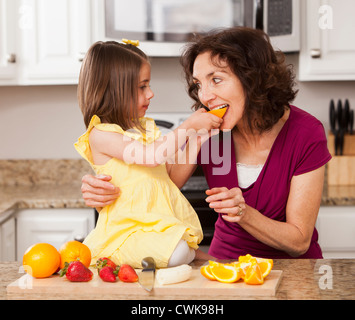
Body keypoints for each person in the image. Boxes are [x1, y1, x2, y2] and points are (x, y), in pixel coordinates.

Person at [80, 28, 332, 260]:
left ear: (253, 78)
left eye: (217, 80)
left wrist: (245, 213)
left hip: (292, 271)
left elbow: (299, 241)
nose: (205, 96)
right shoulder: (211, 133)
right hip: (221, 265)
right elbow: (163, 178)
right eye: (199, 84)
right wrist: (107, 188)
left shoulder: (305, 133)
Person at [75, 40, 222, 268]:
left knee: (180, 250)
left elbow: (170, 179)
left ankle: (189, 254)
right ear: (115, 90)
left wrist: (197, 139)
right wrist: (188, 126)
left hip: (152, 227)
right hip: (127, 231)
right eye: (142, 86)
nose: (151, 93)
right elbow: (150, 156)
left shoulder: (143, 129)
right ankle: (114, 254)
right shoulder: (101, 135)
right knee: (179, 252)